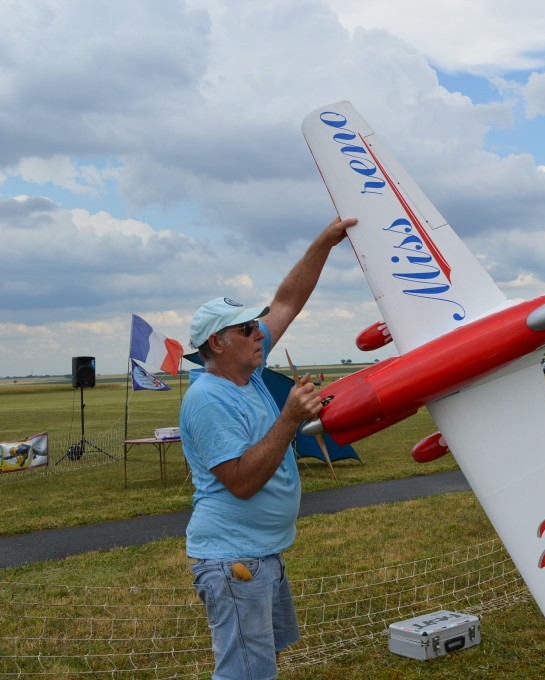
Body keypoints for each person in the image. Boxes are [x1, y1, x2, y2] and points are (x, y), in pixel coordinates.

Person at [180, 216, 356, 679]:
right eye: (247, 330)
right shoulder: (208, 398)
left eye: (256, 327)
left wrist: (325, 241)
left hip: (260, 554)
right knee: (244, 673)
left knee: (262, 664)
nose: (260, 333)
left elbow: (286, 301)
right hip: (234, 559)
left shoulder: (248, 371)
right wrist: (290, 418)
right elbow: (240, 481)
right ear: (216, 343)